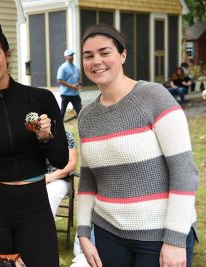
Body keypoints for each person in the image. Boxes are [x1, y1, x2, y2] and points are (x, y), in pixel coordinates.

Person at [77, 24, 198, 267]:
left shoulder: (154, 97)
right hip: (108, 234)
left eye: (104, 52)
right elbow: (88, 177)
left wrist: (175, 240)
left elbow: (184, 172)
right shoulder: (86, 116)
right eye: (88, 56)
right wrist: (83, 233)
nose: (96, 61)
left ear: (122, 55)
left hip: (159, 236)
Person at [0, 18, 68, 266]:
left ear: (7, 55)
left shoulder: (41, 99)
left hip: (35, 208)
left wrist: (45, 138)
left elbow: (61, 159)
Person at [46, 131, 78, 217]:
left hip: (59, 179)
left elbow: (72, 163)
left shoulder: (65, 135)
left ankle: (44, 228)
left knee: (50, 194)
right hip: (33, 178)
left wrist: (51, 177)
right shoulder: (28, 136)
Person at [57, 49, 82, 120]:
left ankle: (83, 125)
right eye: (70, 55)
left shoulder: (76, 67)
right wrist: (72, 86)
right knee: (62, 111)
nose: (72, 57)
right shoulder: (63, 68)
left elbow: (79, 79)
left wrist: (79, 85)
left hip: (75, 94)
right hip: (65, 94)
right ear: (66, 57)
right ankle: (59, 126)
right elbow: (59, 80)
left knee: (80, 110)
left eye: (72, 55)